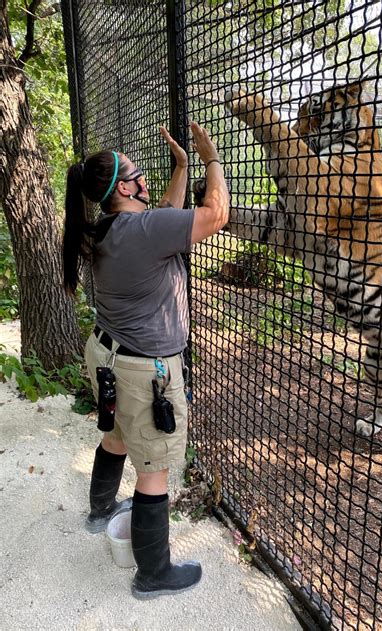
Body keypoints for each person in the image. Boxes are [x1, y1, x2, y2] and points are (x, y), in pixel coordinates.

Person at [62, 122, 229, 599]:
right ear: (123, 187)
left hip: (108, 356)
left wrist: (181, 166)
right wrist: (211, 161)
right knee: (154, 470)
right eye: (136, 171)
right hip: (143, 372)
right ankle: (153, 574)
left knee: (115, 437)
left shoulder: (110, 229)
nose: (145, 177)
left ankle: (99, 512)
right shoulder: (143, 229)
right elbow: (214, 214)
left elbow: (165, 217)